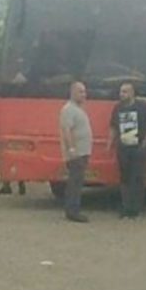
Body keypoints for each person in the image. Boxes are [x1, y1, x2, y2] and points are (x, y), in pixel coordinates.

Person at [108, 82, 146, 219]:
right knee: (125, 179)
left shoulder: (142, 107)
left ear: (132, 93)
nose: (122, 94)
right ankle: (126, 208)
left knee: (137, 178)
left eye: (125, 91)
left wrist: (145, 144)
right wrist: (109, 143)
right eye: (121, 92)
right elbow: (113, 127)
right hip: (123, 149)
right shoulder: (118, 108)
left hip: (138, 148)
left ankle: (136, 209)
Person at [60, 81, 93, 223]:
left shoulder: (78, 109)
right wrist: (71, 149)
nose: (84, 95)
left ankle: (74, 208)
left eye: (84, 92)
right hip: (76, 153)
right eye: (80, 92)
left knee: (78, 182)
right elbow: (67, 131)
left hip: (83, 152)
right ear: (72, 92)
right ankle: (72, 211)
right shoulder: (68, 109)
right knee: (74, 182)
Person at [0, 78, 26, 196]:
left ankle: (21, 183)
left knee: (18, 157)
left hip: (12, 130)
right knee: (2, 159)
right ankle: (6, 184)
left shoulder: (10, 99)